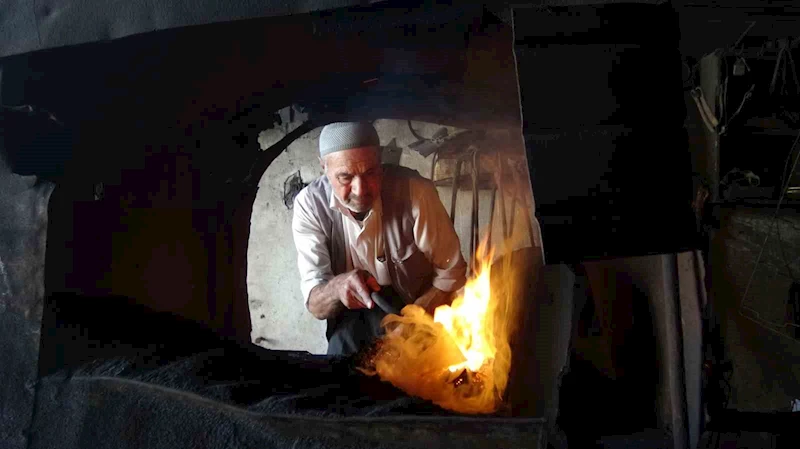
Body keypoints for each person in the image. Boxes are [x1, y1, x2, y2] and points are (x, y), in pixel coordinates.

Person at [291, 122, 467, 355]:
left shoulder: (416, 192)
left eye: (370, 173)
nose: (360, 189)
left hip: (417, 307)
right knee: (343, 380)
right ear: (324, 167)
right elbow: (316, 304)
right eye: (345, 177)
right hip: (351, 321)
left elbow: (451, 273)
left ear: (381, 163)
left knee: (426, 382)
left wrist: (413, 319)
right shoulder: (310, 205)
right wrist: (337, 287)